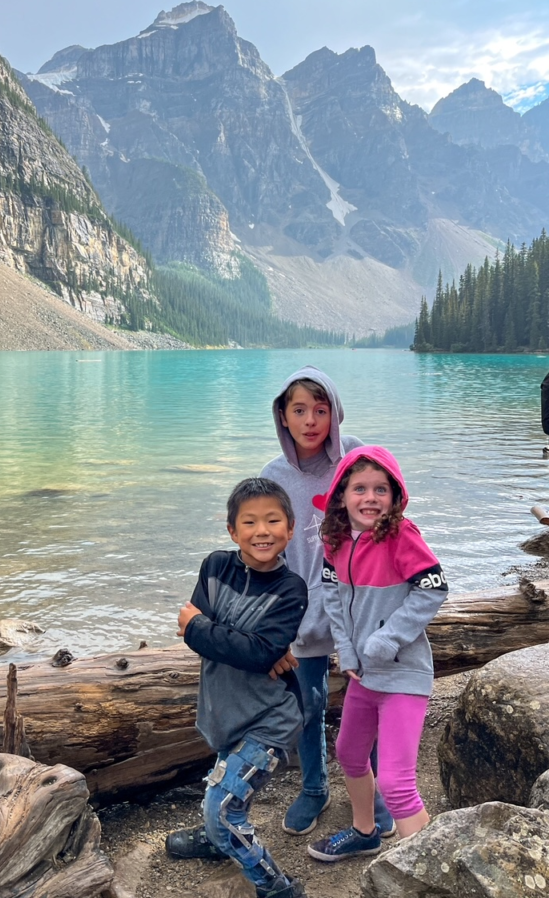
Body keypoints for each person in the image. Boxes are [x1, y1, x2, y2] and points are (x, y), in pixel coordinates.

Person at [260, 367, 393, 838]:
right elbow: (264, 549)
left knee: (369, 701)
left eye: (321, 410)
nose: (311, 421)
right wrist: (270, 620)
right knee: (308, 704)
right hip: (302, 611)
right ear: (283, 415)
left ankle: (374, 792)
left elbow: (388, 516)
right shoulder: (273, 476)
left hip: (361, 604)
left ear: (335, 411)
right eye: (299, 410)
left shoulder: (356, 458)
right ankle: (314, 788)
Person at [167, 477, 309, 898]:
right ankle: (217, 841)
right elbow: (195, 633)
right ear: (232, 531)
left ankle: (277, 887)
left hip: (270, 717)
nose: (261, 531)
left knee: (224, 809)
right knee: (224, 783)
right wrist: (245, 644)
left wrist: (212, 632)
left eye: (272, 520)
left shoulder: (291, 590)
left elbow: (249, 650)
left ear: (290, 528)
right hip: (226, 709)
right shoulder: (215, 567)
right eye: (249, 522)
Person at [307, 446, 448, 862]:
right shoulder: (334, 540)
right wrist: (346, 650)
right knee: (349, 754)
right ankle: (365, 832)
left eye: (380, 489)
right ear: (341, 494)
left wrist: (388, 638)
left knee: (396, 783)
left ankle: (427, 875)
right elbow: (333, 597)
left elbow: (434, 588)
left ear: (394, 495)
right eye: (360, 489)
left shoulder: (402, 536)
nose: (370, 498)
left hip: (403, 674)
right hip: (364, 676)